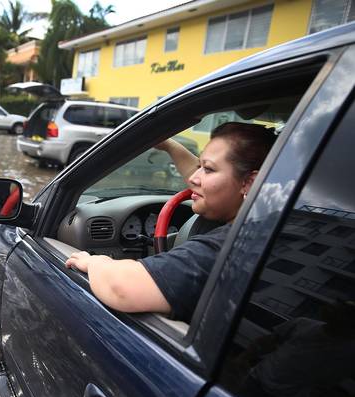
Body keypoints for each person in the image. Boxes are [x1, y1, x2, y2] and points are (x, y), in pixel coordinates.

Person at [65, 122, 277, 322]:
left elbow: (120, 289)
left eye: (208, 169)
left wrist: (94, 262)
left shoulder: (230, 248)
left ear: (249, 182)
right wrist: (168, 145)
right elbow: (215, 181)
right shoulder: (273, 227)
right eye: (199, 165)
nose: (194, 178)